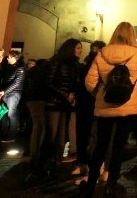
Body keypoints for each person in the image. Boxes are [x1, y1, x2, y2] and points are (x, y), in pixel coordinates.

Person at [81, 22, 137, 197]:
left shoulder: (102, 54)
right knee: (119, 145)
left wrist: (101, 93)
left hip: (105, 106)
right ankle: (113, 183)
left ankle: (91, 182)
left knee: (100, 145)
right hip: (127, 106)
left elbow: (89, 83)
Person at [44, 38, 82, 178]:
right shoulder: (58, 62)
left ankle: (56, 162)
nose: (80, 51)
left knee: (61, 135)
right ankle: (46, 163)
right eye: (77, 48)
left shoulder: (76, 65)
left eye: (80, 48)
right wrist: (65, 95)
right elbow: (49, 83)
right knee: (52, 134)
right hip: (54, 103)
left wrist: (72, 95)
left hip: (65, 104)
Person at [73, 40, 105, 176]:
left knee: (83, 133)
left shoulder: (85, 62)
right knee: (94, 134)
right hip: (94, 102)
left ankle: (83, 163)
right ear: (98, 50)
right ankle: (93, 163)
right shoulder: (99, 62)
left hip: (83, 102)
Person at [22, 57, 48, 179]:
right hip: (37, 100)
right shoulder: (41, 74)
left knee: (34, 127)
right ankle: (34, 156)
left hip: (29, 100)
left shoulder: (31, 72)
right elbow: (43, 87)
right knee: (39, 128)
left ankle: (31, 153)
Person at [0, 49, 25, 141]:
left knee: (11, 114)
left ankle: (12, 135)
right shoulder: (7, 66)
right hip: (5, 93)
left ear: (14, 57)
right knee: (3, 114)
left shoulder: (20, 68)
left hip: (14, 93)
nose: (7, 58)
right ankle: (4, 133)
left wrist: (4, 91)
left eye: (9, 57)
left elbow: (17, 83)